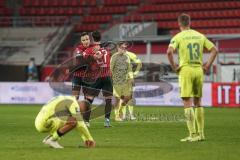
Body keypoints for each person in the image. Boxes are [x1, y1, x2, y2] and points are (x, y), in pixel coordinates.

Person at [167, 13, 218, 142]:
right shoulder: (200, 36)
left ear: (179, 24)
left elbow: (169, 52)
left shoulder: (178, 37)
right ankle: (201, 134)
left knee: (187, 102)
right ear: (190, 22)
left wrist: (174, 67)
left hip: (186, 70)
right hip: (198, 70)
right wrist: (207, 66)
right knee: (198, 101)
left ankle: (193, 134)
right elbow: (214, 50)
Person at [82, 30, 113, 127]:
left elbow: (84, 60)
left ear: (92, 38)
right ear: (100, 38)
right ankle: (107, 121)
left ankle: (86, 122)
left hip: (96, 77)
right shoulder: (107, 50)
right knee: (108, 99)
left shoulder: (88, 50)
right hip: (107, 76)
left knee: (89, 99)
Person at [111, 42, 142, 121]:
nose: (123, 49)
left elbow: (139, 64)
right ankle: (120, 115)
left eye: (124, 47)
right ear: (118, 47)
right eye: (122, 47)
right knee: (118, 97)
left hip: (127, 79)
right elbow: (110, 69)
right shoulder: (114, 56)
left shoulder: (130, 55)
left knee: (129, 97)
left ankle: (130, 114)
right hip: (117, 80)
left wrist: (134, 75)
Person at [71, 32, 91, 100]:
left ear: (89, 39)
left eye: (87, 39)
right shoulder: (78, 50)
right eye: (83, 40)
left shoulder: (94, 49)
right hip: (77, 77)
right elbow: (81, 62)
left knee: (88, 99)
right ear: (81, 41)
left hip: (88, 77)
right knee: (75, 98)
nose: (86, 41)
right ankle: (74, 110)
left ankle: (87, 110)